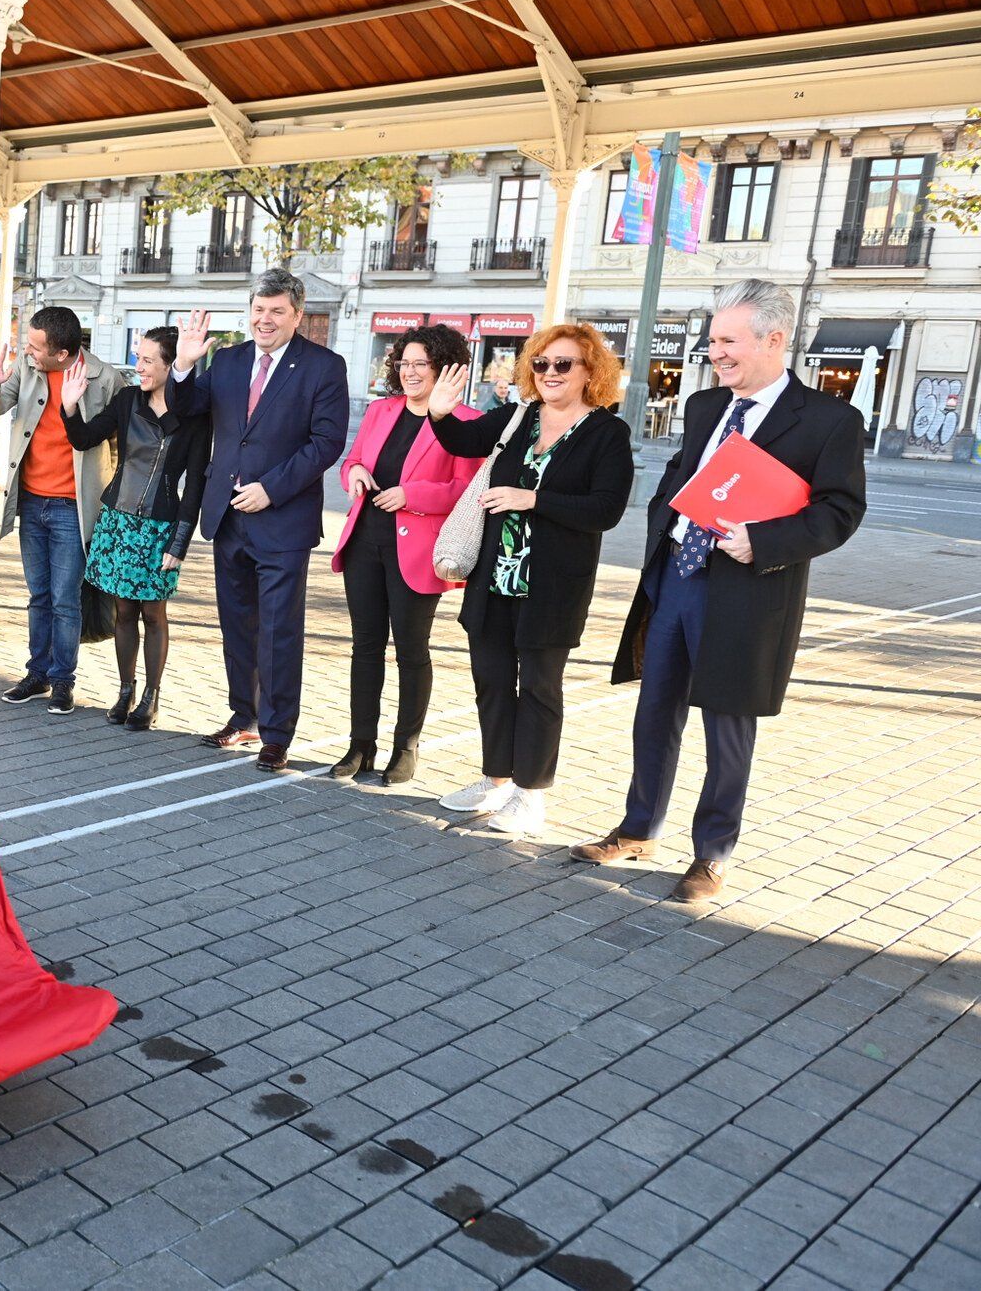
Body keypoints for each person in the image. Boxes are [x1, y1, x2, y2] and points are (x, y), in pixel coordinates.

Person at [575, 280, 867, 900]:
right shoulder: (705, 407)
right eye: (713, 340)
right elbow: (681, 476)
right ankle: (636, 828)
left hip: (748, 593)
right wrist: (667, 523)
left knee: (727, 728)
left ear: (774, 340)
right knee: (655, 712)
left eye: (729, 341)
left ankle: (712, 855)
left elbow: (840, 512)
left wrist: (764, 542)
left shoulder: (828, 421)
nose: (717, 352)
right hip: (677, 579)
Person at [426, 326, 634, 836]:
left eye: (564, 364)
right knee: (492, 681)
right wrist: (438, 410)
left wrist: (532, 499)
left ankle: (531, 794)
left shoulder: (607, 433)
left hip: (553, 586)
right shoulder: (519, 417)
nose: (550, 374)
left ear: (591, 372)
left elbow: (606, 509)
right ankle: (496, 778)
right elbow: (462, 438)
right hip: (493, 578)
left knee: (540, 687)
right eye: (541, 364)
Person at [169, 270, 349, 772]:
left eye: (276, 311)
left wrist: (271, 488)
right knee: (237, 626)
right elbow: (187, 412)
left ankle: (276, 732)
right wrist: (184, 364)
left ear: (296, 315)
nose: (264, 319)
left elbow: (326, 443)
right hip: (227, 518)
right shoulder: (226, 361)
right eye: (258, 309)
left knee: (278, 630)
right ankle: (243, 716)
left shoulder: (323, 367)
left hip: (282, 520)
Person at [326, 324, 483, 786]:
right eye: (405, 362)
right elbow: (351, 459)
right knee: (365, 647)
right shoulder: (381, 410)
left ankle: (406, 747)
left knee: (412, 650)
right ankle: (361, 746)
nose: (411, 372)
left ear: (445, 368)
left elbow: (467, 489)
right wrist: (354, 472)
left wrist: (410, 494)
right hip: (364, 543)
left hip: (417, 551)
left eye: (422, 364)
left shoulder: (466, 422)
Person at [58, 326, 209, 730]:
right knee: (123, 611)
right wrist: (70, 408)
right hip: (117, 520)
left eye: (147, 360)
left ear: (169, 364)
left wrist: (179, 542)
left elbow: (194, 487)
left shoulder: (195, 417)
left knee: (154, 613)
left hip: (161, 527)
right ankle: (125, 691)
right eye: (137, 357)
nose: (138, 367)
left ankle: (150, 698)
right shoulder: (126, 400)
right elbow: (85, 439)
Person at [0, 305, 125, 715]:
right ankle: (37, 674)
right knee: (38, 595)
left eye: (36, 346)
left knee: (65, 598)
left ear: (62, 354)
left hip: (72, 507)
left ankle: (63, 681)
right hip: (31, 500)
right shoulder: (27, 367)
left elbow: (118, 444)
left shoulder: (105, 378)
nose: (28, 350)